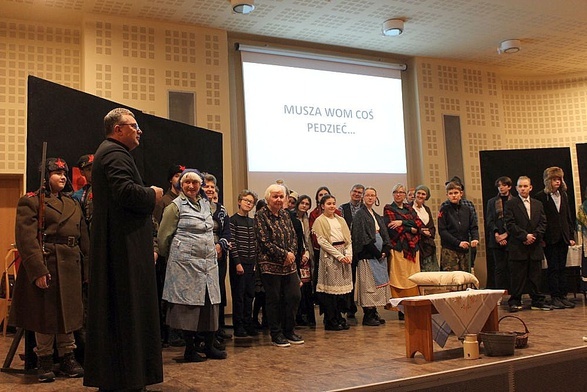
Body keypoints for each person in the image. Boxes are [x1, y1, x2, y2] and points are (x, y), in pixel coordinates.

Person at [84, 108, 164, 391]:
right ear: (118, 129)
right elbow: (127, 194)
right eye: (134, 126)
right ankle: (127, 378)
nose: (139, 130)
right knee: (126, 310)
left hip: (120, 245)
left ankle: (124, 376)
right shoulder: (115, 154)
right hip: (123, 250)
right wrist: (152, 194)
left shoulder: (111, 152)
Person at [10, 157, 87, 382]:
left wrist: (87, 269)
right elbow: (25, 239)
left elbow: (84, 238)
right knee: (46, 314)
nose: (62, 177)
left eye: (64, 173)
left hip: (71, 262)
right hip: (47, 261)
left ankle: (67, 356)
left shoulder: (73, 203)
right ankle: (44, 359)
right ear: (46, 176)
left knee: (70, 312)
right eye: (56, 173)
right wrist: (37, 269)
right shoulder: (32, 201)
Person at [157, 169, 227, 361]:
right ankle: (189, 349)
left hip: (207, 264)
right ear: (181, 184)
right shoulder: (175, 206)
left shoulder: (206, 204)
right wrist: (170, 257)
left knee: (209, 303)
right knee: (189, 307)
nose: (191, 186)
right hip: (185, 265)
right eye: (186, 182)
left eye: (195, 183)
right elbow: (164, 236)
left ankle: (209, 346)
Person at [254, 183, 302, 347]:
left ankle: (289, 331)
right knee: (274, 299)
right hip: (270, 264)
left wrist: (292, 254)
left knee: (294, 296)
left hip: (289, 264)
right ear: (268, 198)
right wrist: (284, 254)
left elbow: (294, 237)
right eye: (275, 196)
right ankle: (276, 334)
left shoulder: (286, 215)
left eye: (281, 196)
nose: (279, 199)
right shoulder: (261, 215)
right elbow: (264, 241)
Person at [504, 176, 551, 312]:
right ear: (516, 188)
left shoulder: (538, 204)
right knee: (517, 276)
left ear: (530, 187)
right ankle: (515, 301)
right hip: (518, 245)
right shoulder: (510, 204)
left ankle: (537, 301)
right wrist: (524, 236)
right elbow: (510, 224)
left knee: (535, 275)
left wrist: (534, 236)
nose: (523, 189)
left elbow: (543, 223)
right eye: (520, 186)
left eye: (525, 186)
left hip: (535, 245)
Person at [153, 163, 185, 347]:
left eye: (183, 176)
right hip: (169, 255)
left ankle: (180, 331)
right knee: (168, 295)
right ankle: (169, 333)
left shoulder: (186, 201)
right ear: (170, 179)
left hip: (183, 257)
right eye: (176, 176)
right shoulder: (165, 201)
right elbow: (159, 228)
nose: (180, 179)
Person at [534, 167, 576, 309]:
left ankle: (563, 295)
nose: (557, 182)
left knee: (562, 268)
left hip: (563, 237)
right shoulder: (541, 196)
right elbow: (539, 219)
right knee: (553, 268)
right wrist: (541, 238)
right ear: (548, 181)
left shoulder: (563, 195)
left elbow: (568, 216)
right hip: (550, 238)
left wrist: (570, 235)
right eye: (554, 179)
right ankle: (555, 296)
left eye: (559, 179)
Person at [351, 187, 392, 326]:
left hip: (379, 256)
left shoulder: (376, 215)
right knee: (368, 286)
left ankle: (374, 312)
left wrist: (386, 249)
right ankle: (368, 315)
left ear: (376, 198)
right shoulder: (359, 215)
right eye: (367, 195)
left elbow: (384, 234)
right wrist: (376, 252)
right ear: (363, 197)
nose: (370, 197)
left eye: (372, 195)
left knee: (377, 286)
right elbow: (361, 236)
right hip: (368, 256)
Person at [313, 195, 353, 331]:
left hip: (343, 255)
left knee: (342, 292)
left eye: (333, 203)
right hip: (330, 256)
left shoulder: (341, 220)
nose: (332, 206)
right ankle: (331, 319)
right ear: (322, 205)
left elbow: (348, 240)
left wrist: (348, 255)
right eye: (328, 203)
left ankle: (340, 317)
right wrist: (339, 256)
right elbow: (322, 242)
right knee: (331, 292)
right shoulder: (320, 221)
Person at [384, 183, 423, 320]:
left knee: (412, 278)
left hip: (412, 249)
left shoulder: (409, 208)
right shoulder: (388, 209)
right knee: (399, 278)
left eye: (401, 192)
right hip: (399, 248)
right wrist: (408, 226)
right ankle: (401, 308)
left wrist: (402, 223)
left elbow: (419, 224)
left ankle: (413, 305)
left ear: (405, 195)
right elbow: (392, 227)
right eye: (396, 192)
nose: (398, 194)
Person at [202, 173, 232, 340]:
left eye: (212, 187)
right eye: (207, 186)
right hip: (202, 256)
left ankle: (218, 329)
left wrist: (220, 245)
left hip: (220, 256)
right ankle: (206, 332)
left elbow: (227, 232)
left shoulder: (221, 209)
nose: (210, 189)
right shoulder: (197, 207)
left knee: (218, 291)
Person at [229, 190, 259, 338]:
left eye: (251, 202)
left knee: (249, 295)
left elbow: (255, 243)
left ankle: (248, 324)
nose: (248, 203)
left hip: (251, 263)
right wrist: (237, 263)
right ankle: (238, 326)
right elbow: (232, 242)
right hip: (239, 264)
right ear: (239, 201)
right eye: (246, 200)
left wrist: (254, 263)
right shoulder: (233, 220)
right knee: (239, 296)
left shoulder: (252, 222)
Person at [438, 181, 479, 272]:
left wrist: (475, 238)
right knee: (451, 278)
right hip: (449, 250)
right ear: (447, 195)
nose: (453, 196)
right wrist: (458, 243)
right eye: (451, 193)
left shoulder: (467, 209)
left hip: (465, 249)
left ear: (461, 193)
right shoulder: (444, 210)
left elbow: (473, 227)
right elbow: (442, 231)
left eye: (456, 193)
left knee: (465, 277)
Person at [338, 184, 364, 324]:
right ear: (350, 192)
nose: (357, 194)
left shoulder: (364, 209)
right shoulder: (342, 208)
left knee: (363, 278)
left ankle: (364, 307)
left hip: (362, 248)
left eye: (360, 192)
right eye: (355, 191)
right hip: (347, 248)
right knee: (349, 278)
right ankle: (348, 308)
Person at [485, 176, 514, 290]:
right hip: (496, 239)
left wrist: (506, 235)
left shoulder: (514, 201)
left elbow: (515, 221)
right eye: (499, 186)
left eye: (504, 185)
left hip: (511, 239)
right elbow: (490, 220)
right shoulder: (492, 202)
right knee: (499, 268)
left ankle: (513, 294)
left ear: (509, 187)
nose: (501, 188)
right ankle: (499, 294)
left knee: (512, 268)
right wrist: (497, 234)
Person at [292, 195, 316, 327]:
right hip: (295, 254)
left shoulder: (307, 219)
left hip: (307, 255)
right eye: (302, 203)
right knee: (297, 286)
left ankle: (307, 316)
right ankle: (297, 316)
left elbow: (308, 240)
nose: (304, 206)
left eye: (307, 204)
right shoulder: (291, 217)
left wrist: (307, 252)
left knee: (307, 287)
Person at [412, 185, 439, 272]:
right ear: (415, 194)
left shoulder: (427, 209)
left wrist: (429, 232)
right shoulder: (409, 208)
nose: (420, 196)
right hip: (416, 244)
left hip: (428, 244)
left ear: (426, 196)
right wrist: (423, 232)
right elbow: (412, 225)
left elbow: (432, 227)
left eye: (423, 194)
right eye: (418, 193)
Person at [72, 154, 94, 229]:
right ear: (82, 172)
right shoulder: (79, 195)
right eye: (89, 170)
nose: (93, 172)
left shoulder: (111, 189)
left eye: (95, 168)